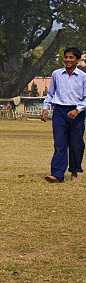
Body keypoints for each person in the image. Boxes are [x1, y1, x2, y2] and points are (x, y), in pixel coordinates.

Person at [40, 47, 86, 183]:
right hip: (59, 111)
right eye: (66, 57)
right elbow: (51, 92)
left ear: (78, 60)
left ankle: (74, 172)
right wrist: (46, 107)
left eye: (71, 58)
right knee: (60, 144)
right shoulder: (56, 74)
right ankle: (57, 174)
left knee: (76, 144)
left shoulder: (83, 77)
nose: (68, 60)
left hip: (77, 113)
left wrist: (78, 110)